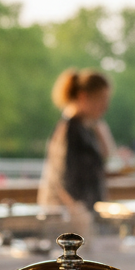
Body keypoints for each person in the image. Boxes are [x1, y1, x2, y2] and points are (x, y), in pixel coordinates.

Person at [38, 69, 114, 232]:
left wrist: (100, 127)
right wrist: (78, 212)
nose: (105, 106)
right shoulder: (70, 130)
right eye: (101, 99)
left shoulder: (86, 128)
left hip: (83, 213)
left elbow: (106, 156)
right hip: (70, 218)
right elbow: (63, 176)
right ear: (83, 96)